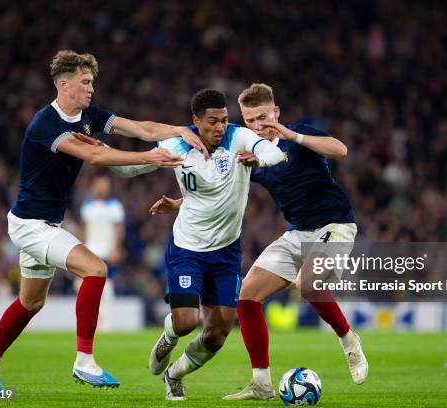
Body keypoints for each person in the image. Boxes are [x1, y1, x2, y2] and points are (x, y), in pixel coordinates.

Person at [0, 49, 207, 390]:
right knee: (96, 270)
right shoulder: (45, 124)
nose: (91, 88)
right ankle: (85, 360)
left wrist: (181, 130)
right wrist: (149, 156)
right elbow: (94, 154)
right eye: (85, 82)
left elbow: (139, 126)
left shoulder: (89, 115)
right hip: (30, 225)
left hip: (45, 223)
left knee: (31, 301)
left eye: (92, 81)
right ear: (63, 85)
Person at [151, 83, 368, 401]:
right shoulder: (247, 153)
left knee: (307, 285)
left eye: (264, 118)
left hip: (335, 226)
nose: (258, 126)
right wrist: (178, 203)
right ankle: (262, 383)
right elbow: (217, 192)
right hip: (296, 233)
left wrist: (292, 136)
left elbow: (340, 150)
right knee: (247, 298)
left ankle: (350, 343)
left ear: (276, 113)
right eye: (250, 121)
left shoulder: (299, 136)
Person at [113, 88, 285, 400]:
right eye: (212, 122)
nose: (220, 127)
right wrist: (99, 154)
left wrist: (258, 158)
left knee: (218, 334)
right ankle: (169, 335)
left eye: (224, 120)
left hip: (227, 251)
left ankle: (174, 373)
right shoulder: (177, 144)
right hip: (188, 248)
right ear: (195, 121)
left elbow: (275, 152)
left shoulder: (239, 138)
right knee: (186, 323)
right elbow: (133, 168)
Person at [79, 175, 125, 331]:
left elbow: (119, 229)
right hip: (90, 251)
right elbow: (84, 228)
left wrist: (116, 248)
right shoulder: (87, 205)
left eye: (104, 185)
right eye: (99, 185)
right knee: (84, 286)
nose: (102, 188)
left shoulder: (114, 206)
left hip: (106, 252)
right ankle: (88, 322)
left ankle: (105, 323)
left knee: (107, 287)